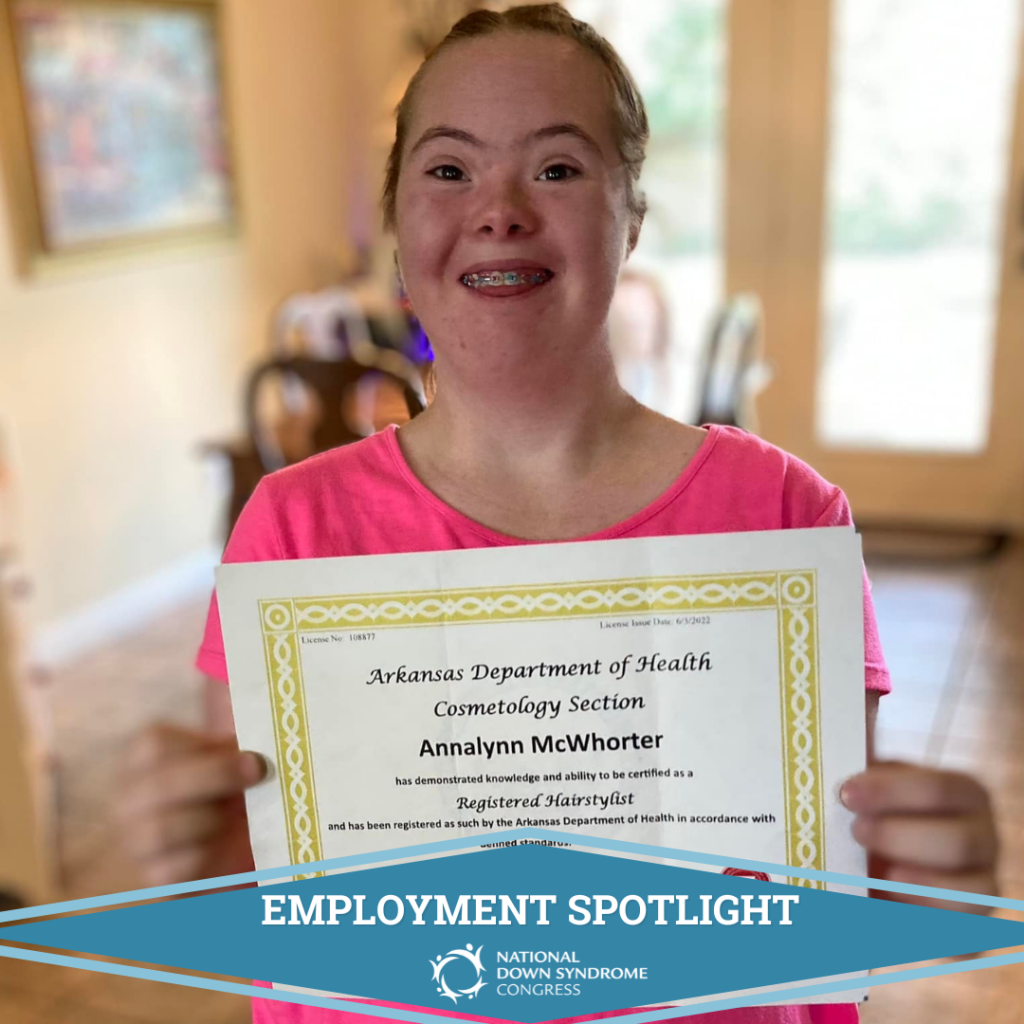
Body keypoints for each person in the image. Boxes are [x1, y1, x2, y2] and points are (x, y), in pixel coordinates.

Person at [117, 6, 999, 1023]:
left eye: (557, 168)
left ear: (630, 215)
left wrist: (911, 877)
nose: (497, 210)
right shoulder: (292, 527)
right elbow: (247, 880)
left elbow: (838, 881)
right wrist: (214, 873)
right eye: (447, 170)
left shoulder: (784, 514)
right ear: (400, 220)